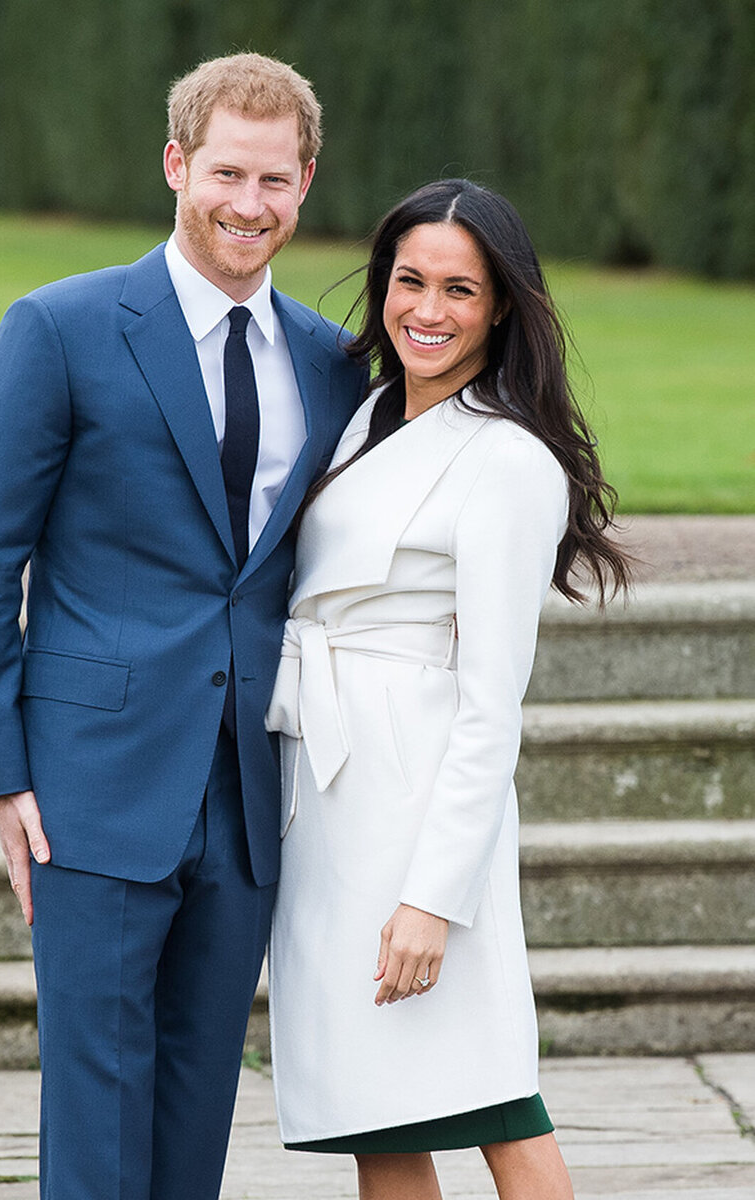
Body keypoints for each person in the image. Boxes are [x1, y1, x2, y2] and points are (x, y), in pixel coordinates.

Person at [0, 52, 366, 1200]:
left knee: (197, 1101)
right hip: (90, 780)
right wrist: (0, 768)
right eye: (226, 171)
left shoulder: (332, 365)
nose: (248, 204)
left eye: (274, 181)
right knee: (96, 1102)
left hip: (246, 787)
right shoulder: (62, 328)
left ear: (305, 184)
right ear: (176, 164)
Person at [266, 178, 631, 1200]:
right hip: (324, 801)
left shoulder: (505, 459)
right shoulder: (363, 414)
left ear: (502, 305)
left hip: (417, 804)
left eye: (460, 291)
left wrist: (432, 898)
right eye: (408, 281)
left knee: (491, 1104)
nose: (427, 311)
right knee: (374, 1115)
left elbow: (489, 700)